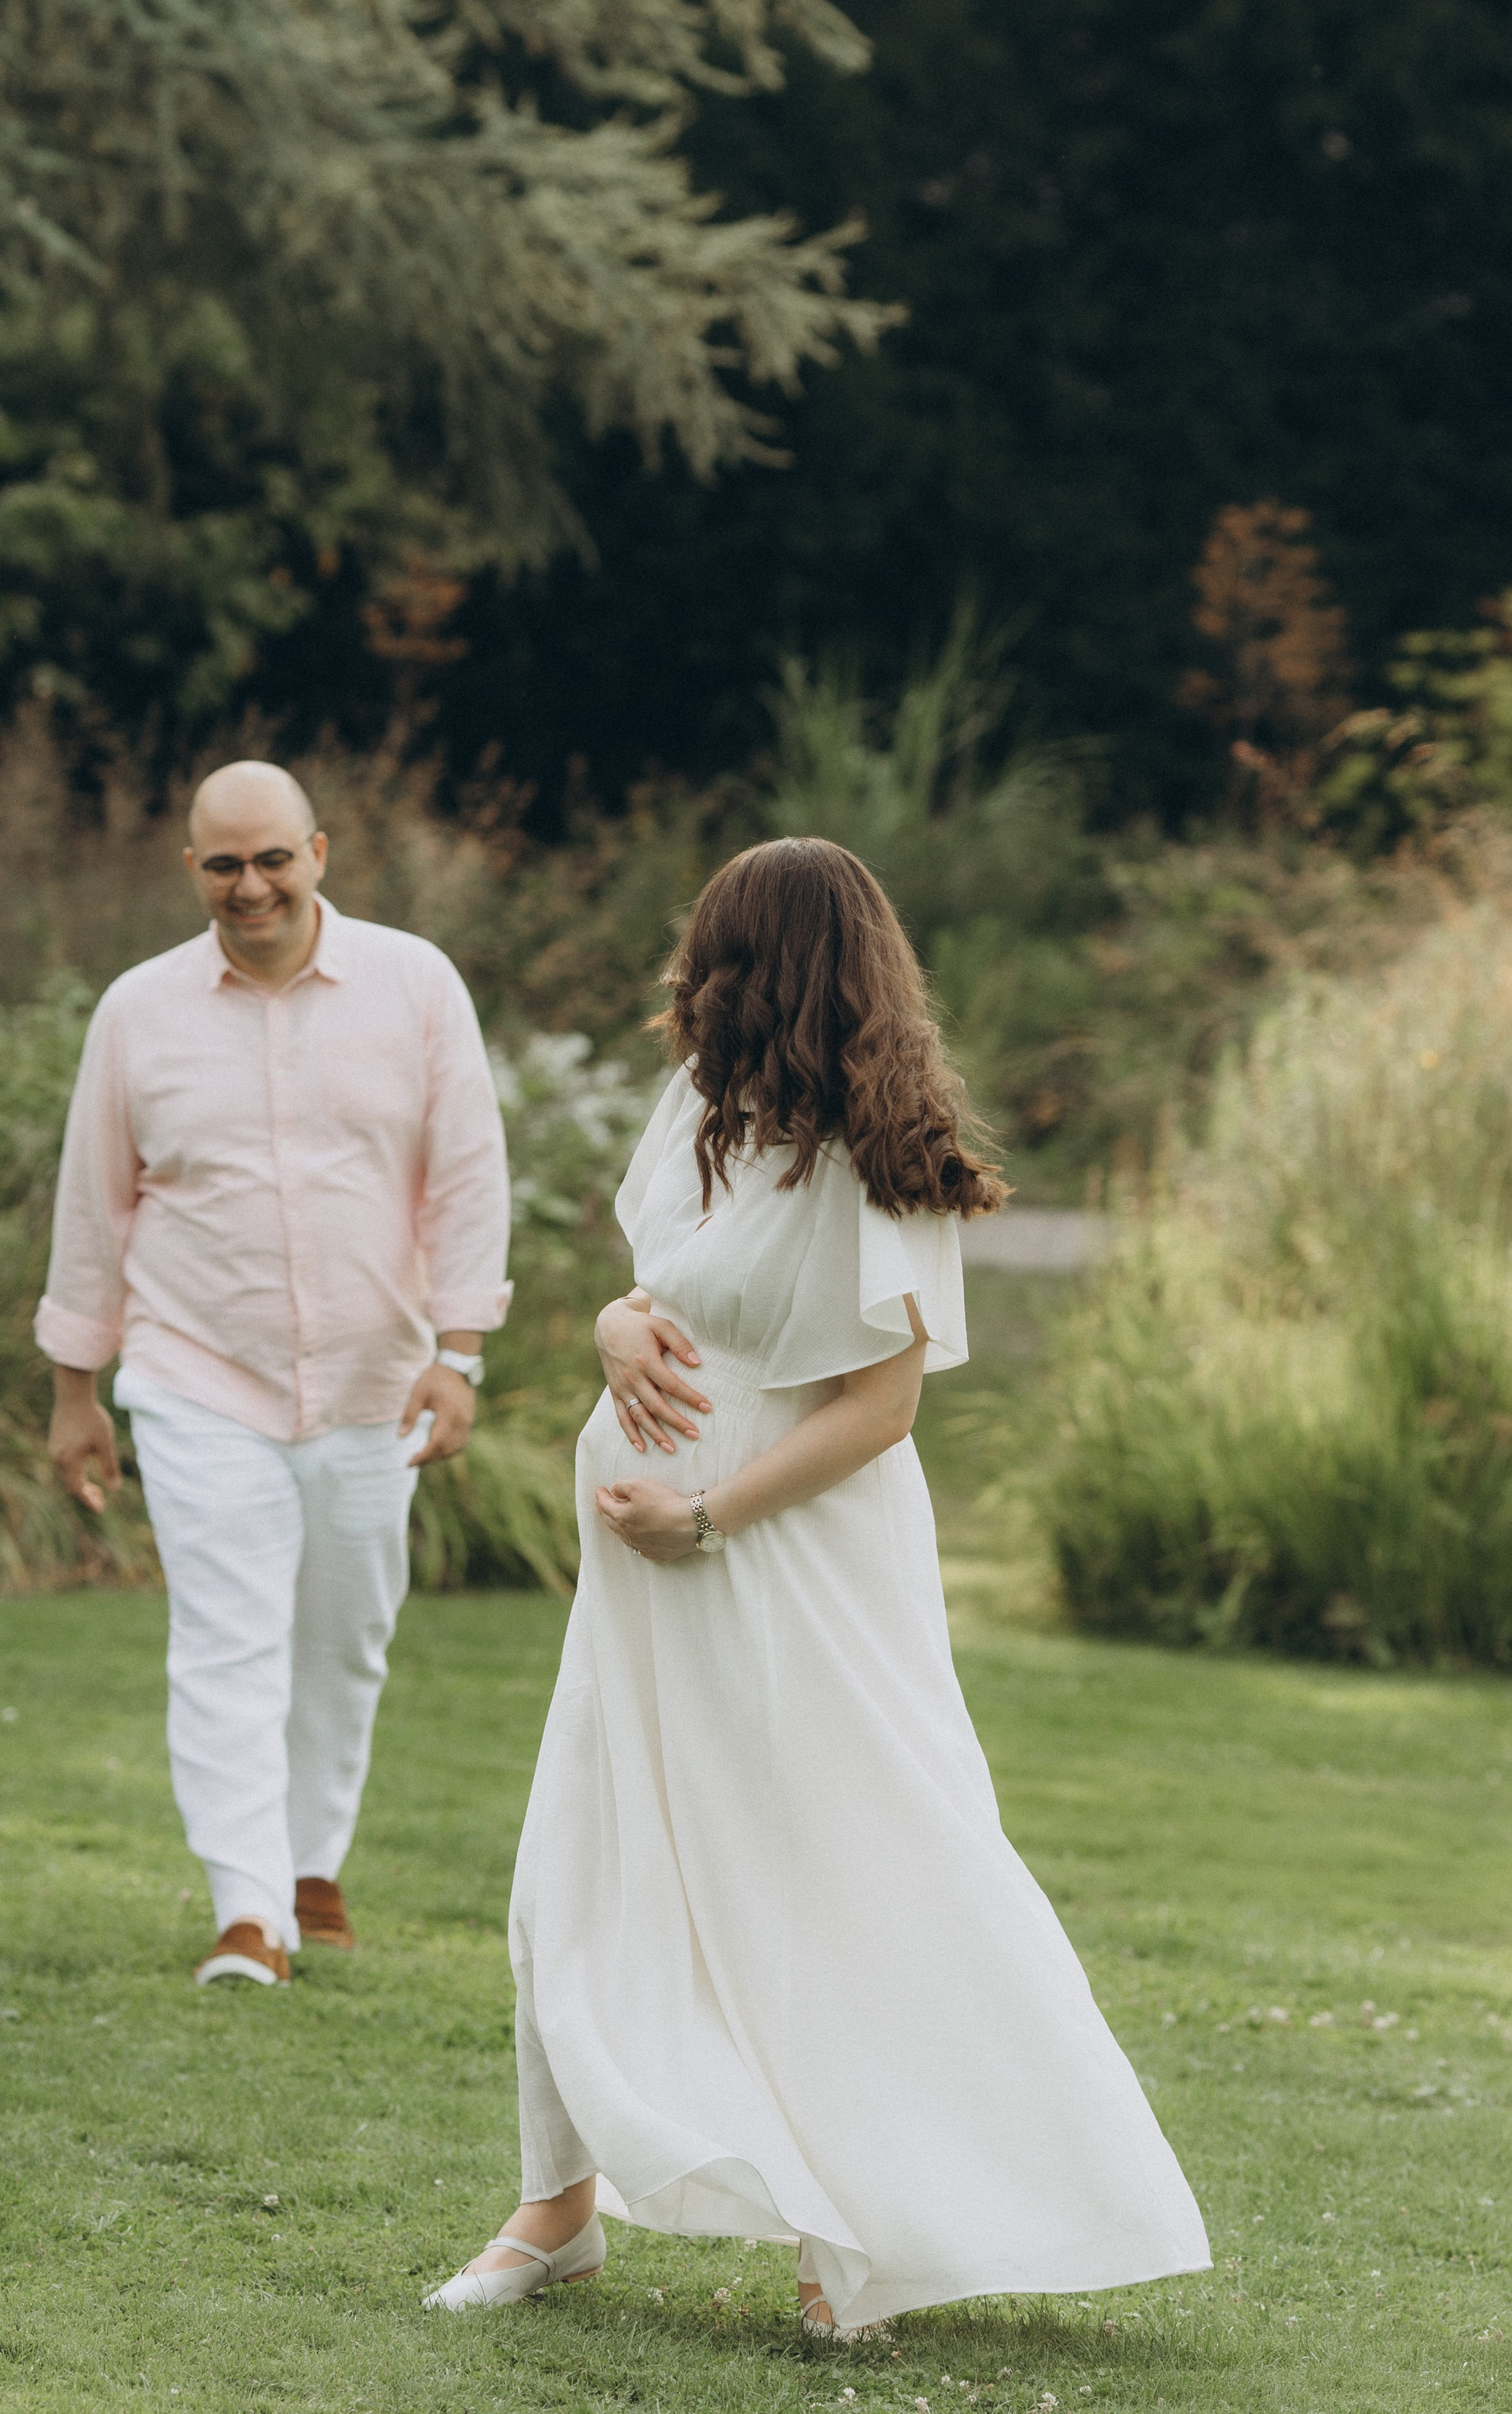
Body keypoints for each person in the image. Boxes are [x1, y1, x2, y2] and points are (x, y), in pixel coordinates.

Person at [426, 837, 1209, 2333]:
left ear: (763, 967)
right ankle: (556, 2209)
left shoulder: (882, 1152)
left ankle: (861, 2231)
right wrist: (606, 1329)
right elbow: (657, 1285)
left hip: (786, 1559)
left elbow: (876, 1406)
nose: (683, 978)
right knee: (578, 1866)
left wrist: (707, 1513)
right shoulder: (701, 1109)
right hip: (646, 1557)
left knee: (837, 1863)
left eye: (707, 951)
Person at [37, 760, 510, 1989]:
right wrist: (75, 1391)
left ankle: (313, 1864)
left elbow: (466, 1177)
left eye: (272, 860)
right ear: (190, 868)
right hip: (199, 1377)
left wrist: (459, 1356)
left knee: (346, 1638)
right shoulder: (139, 1011)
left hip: (375, 1381)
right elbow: (94, 1203)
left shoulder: (414, 986)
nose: (250, 887)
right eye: (222, 865)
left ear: (320, 853)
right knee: (228, 1642)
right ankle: (249, 1913)